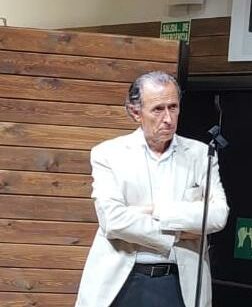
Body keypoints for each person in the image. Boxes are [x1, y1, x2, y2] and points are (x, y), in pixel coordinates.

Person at [76, 71, 229, 307]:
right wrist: (181, 232)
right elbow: (113, 221)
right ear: (135, 112)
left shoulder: (201, 155)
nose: (168, 118)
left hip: (178, 281)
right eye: (158, 109)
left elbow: (217, 216)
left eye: (173, 107)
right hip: (121, 279)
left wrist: (156, 210)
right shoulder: (108, 154)